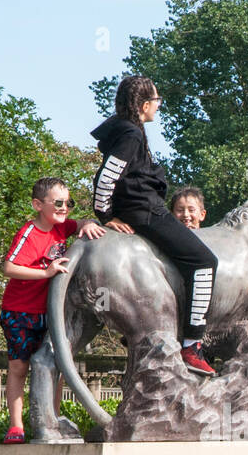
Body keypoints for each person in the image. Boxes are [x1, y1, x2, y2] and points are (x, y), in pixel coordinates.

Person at [91, 76, 218, 376]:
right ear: (145, 105)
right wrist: (105, 215)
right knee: (203, 261)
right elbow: (106, 177)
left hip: (140, 209)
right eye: (157, 101)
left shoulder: (125, 129)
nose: (159, 106)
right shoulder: (132, 134)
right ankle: (192, 345)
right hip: (145, 212)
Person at [0, 177, 105, 443]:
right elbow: (9, 267)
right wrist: (46, 272)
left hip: (51, 312)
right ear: (37, 204)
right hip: (20, 312)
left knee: (51, 365)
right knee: (18, 367)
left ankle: (52, 419)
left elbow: (79, 224)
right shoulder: (29, 233)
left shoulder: (62, 228)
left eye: (68, 203)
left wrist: (88, 224)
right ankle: (16, 426)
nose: (64, 208)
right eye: (58, 203)